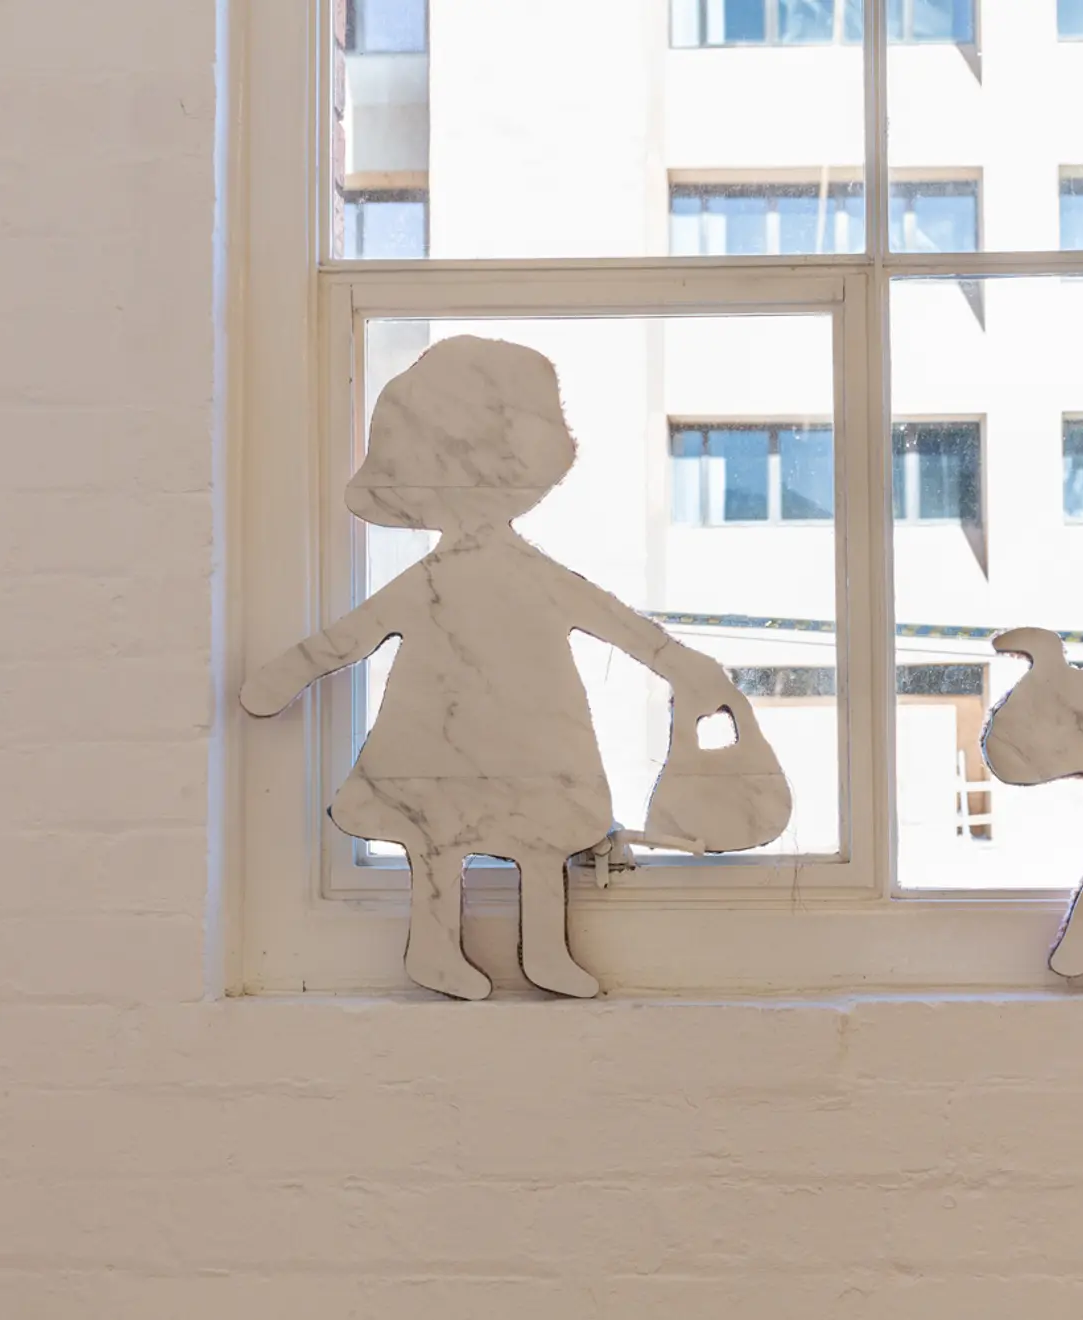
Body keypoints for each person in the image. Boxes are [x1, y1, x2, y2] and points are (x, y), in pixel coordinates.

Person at [241, 336, 749, 1000]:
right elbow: (348, 638)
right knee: (438, 836)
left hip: (531, 733)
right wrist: (283, 676)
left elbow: (619, 625)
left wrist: (682, 665)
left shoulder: (528, 577)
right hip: (439, 729)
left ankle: (544, 952)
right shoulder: (434, 582)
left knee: (539, 841)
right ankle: (435, 950)